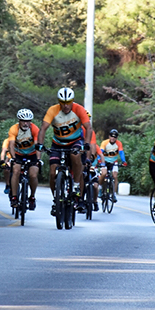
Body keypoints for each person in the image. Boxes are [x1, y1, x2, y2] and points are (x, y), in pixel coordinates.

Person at [36, 87, 92, 215]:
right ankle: (56, 200)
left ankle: (77, 185)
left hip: (75, 141)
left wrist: (87, 144)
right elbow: (43, 128)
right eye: (63, 102)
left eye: (69, 102)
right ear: (59, 101)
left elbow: (88, 128)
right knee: (52, 172)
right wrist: (40, 145)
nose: (66, 106)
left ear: (72, 101)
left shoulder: (79, 109)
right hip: (58, 143)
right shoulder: (53, 110)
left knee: (75, 155)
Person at [7, 109, 41, 211]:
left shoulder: (35, 129)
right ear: (19, 121)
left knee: (33, 175)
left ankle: (32, 197)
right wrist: (13, 158)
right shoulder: (14, 129)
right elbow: (11, 145)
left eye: (28, 121)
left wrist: (38, 159)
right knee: (16, 171)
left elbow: (37, 145)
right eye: (23, 121)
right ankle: (14, 197)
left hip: (32, 154)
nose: (26, 123)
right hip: (18, 154)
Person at [99, 129, 127, 202]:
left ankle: (114, 194)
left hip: (114, 162)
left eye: (114, 137)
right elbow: (100, 152)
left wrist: (124, 161)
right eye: (111, 136)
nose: (113, 138)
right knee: (104, 174)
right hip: (104, 161)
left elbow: (121, 152)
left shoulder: (119, 143)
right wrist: (99, 160)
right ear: (109, 136)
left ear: (117, 138)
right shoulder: (104, 143)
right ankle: (100, 187)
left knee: (115, 176)